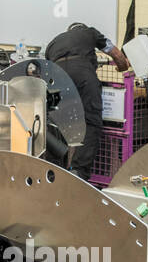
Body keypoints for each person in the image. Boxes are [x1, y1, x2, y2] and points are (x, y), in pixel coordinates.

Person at [45, 22, 131, 181]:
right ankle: (79, 171)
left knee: (56, 123)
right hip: (83, 74)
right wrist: (123, 68)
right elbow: (117, 55)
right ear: (82, 28)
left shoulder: (53, 42)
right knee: (91, 121)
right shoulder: (90, 33)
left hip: (56, 78)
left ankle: (53, 170)